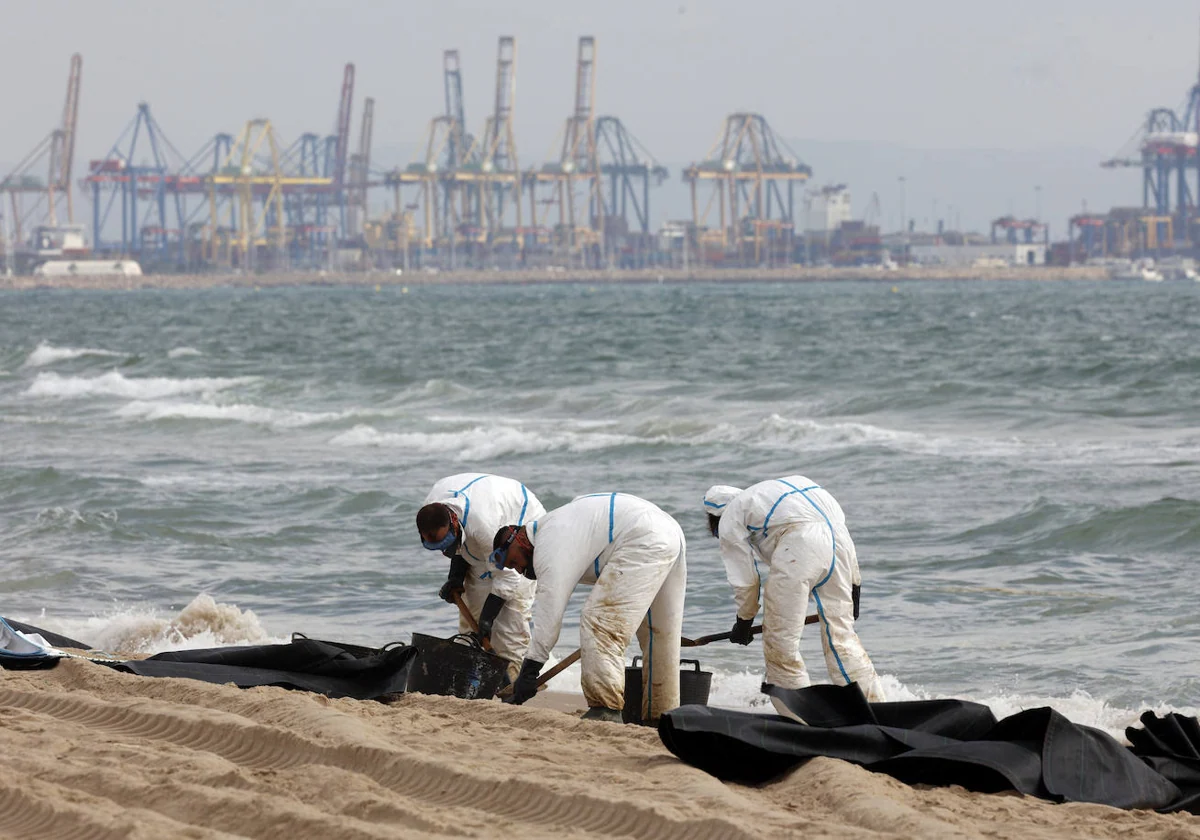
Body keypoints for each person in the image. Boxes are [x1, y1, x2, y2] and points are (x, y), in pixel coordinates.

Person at [490, 492, 686, 723]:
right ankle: (660, 716)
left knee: (599, 621)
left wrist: (529, 672)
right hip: (667, 531)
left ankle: (606, 709)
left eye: (514, 562)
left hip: (642, 537)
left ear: (520, 539)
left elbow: (549, 614)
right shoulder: (558, 525)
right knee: (659, 633)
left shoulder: (547, 542)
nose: (519, 570)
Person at [703, 477, 885, 716]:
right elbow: (836, 532)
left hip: (800, 547)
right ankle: (876, 710)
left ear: (714, 518)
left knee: (781, 643)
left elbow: (746, 580)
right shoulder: (782, 492)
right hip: (839, 547)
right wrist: (854, 588)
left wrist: (744, 621)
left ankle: (799, 717)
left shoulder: (731, 515)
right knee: (842, 637)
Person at [416, 473, 545, 681]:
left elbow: (508, 578)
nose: (444, 551)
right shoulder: (431, 509)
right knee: (470, 625)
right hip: (480, 534)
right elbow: (460, 547)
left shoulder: (484, 526)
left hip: (518, 533)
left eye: (447, 544)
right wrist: (455, 578)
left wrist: (487, 619)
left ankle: (512, 685)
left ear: (454, 522)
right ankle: (478, 682)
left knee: (509, 624)